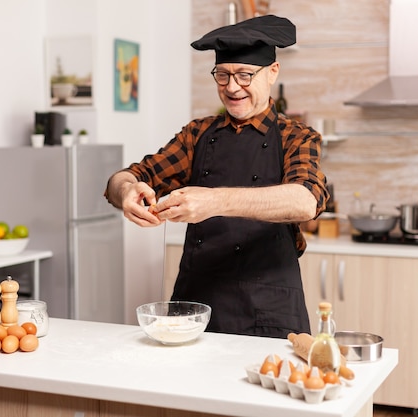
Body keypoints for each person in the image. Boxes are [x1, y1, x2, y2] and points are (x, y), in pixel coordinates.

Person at [104, 14, 329, 338]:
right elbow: (127, 176)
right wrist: (126, 191)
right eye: (222, 75)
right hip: (195, 306)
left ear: (272, 73)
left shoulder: (296, 136)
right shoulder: (198, 134)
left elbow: (305, 199)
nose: (232, 87)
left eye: (244, 75)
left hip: (270, 309)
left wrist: (214, 200)